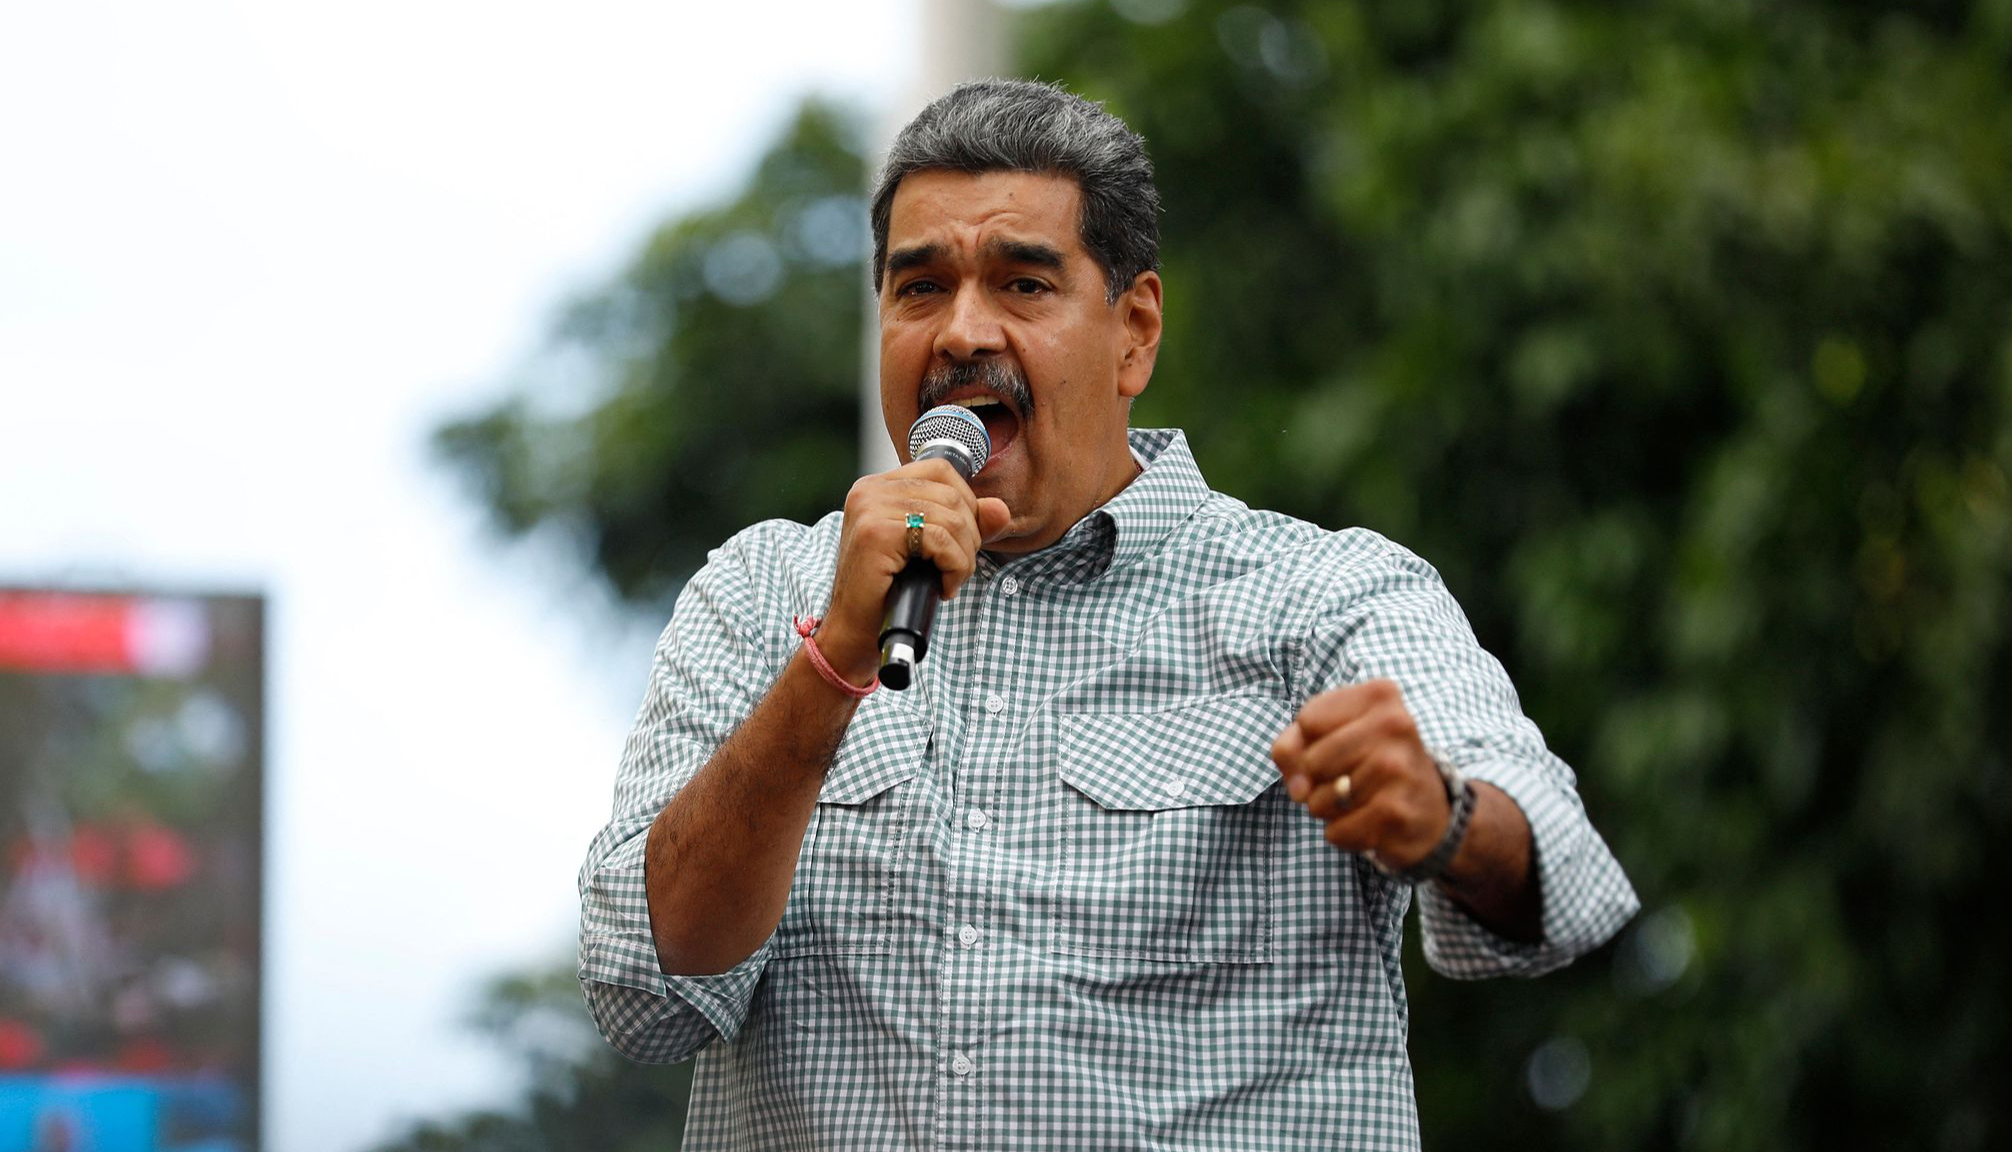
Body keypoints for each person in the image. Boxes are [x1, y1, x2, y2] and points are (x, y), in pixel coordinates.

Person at [579, 78, 1638, 1150]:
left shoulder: (1323, 596)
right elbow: (643, 988)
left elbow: (1557, 874)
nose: (960, 333)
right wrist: (831, 665)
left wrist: (1444, 817)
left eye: (1023, 284)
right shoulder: (760, 596)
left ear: (1133, 332)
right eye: (918, 288)